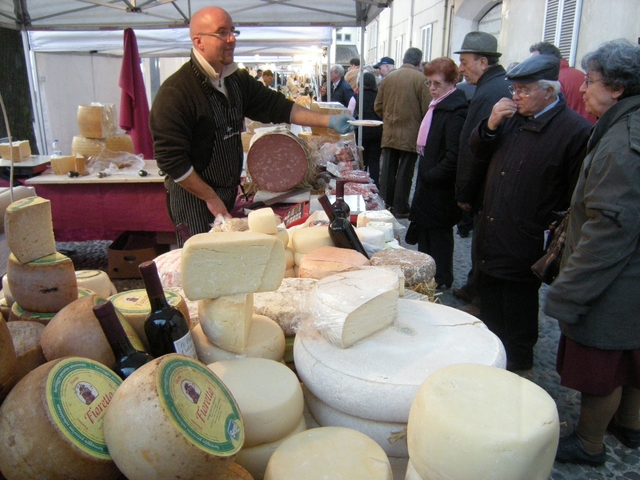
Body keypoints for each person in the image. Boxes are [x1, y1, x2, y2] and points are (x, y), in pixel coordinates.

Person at [149, 6, 354, 243]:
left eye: (233, 31)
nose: (232, 39)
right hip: (194, 199)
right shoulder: (177, 92)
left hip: (224, 191)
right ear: (199, 41)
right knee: (202, 263)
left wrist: (327, 121)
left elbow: (277, 106)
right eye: (222, 32)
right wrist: (210, 197)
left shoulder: (234, 80)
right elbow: (171, 160)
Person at [544, 39, 640, 467]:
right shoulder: (628, 122)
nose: (582, 89)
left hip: (616, 279)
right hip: (629, 275)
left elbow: (607, 230)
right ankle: (630, 426)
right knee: (630, 354)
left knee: (601, 364)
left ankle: (589, 443)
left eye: (592, 81)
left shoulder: (623, 142)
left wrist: (569, 291)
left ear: (617, 88)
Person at [468, 54, 592, 371]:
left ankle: (519, 373)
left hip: (528, 238)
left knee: (518, 314)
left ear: (549, 91)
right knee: (491, 304)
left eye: (524, 89)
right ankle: (490, 362)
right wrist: (490, 126)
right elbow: (477, 155)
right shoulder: (511, 118)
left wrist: (547, 233)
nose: (515, 95)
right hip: (492, 229)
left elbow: (575, 195)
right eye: (514, 89)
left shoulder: (574, 131)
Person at [451, 31, 513, 314]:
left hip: (487, 183)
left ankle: (479, 300)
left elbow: (473, 147)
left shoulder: (489, 91)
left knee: (484, 244)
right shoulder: (493, 86)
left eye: (464, 62)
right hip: (489, 181)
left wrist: (465, 191)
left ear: (483, 62)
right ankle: (474, 288)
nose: (461, 68)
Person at [409, 57, 467, 289]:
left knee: (440, 236)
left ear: (452, 83)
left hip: (440, 188)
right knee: (427, 233)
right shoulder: (439, 105)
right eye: (429, 83)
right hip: (429, 183)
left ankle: (441, 278)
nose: (432, 88)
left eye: (437, 84)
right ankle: (428, 275)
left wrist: (431, 175)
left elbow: (454, 155)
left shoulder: (455, 111)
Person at [374, 48, 431, 218]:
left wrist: (390, 117)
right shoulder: (422, 80)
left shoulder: (389, 77)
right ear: (419, 62)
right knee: (405, 173)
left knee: (387, 172)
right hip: (411, 134)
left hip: (390, 132)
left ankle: (384, 204)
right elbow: (427, 109)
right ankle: (400, 207)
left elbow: (378, 106)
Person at [529, 41, 597, 124]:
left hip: (570, 129)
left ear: (547, 59)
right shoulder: (581, 74)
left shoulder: (553, 80)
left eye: (534, 62)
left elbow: (552, 114)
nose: (531, 66)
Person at [352, 72, 383, 186]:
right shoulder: (379, 96)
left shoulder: (356, 97)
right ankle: (374, 186)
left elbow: (349, 114)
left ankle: (362, 185)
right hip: (377, 133)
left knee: (362, 161)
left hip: (361, 133)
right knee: (375, 161)